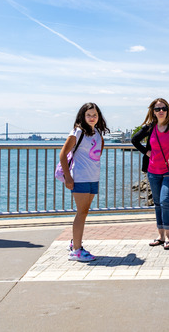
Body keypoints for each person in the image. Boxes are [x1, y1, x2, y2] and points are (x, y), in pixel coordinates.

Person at [131, 98, 169, 250]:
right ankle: (160, 236)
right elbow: (134, 139)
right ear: (153, 112)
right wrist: (146, 151)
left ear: (168, 110)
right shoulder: (150, 127)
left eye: (163, 108)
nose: (161, 111)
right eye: (157, 109)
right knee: (157, 204)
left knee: (165, 201)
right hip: (153, 171)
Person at [60, 102, 109, 262]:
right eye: (88, 115)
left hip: (93, 177)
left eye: (95, 115)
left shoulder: (97, 134)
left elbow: (96, 155)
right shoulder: (77, 132)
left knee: (84, 212)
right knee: (81, 213)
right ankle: (76, 251)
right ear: (83, 116)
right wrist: (68, 177)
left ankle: (75, 241)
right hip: (80, 178)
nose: (92, 118)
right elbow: (63, 155)